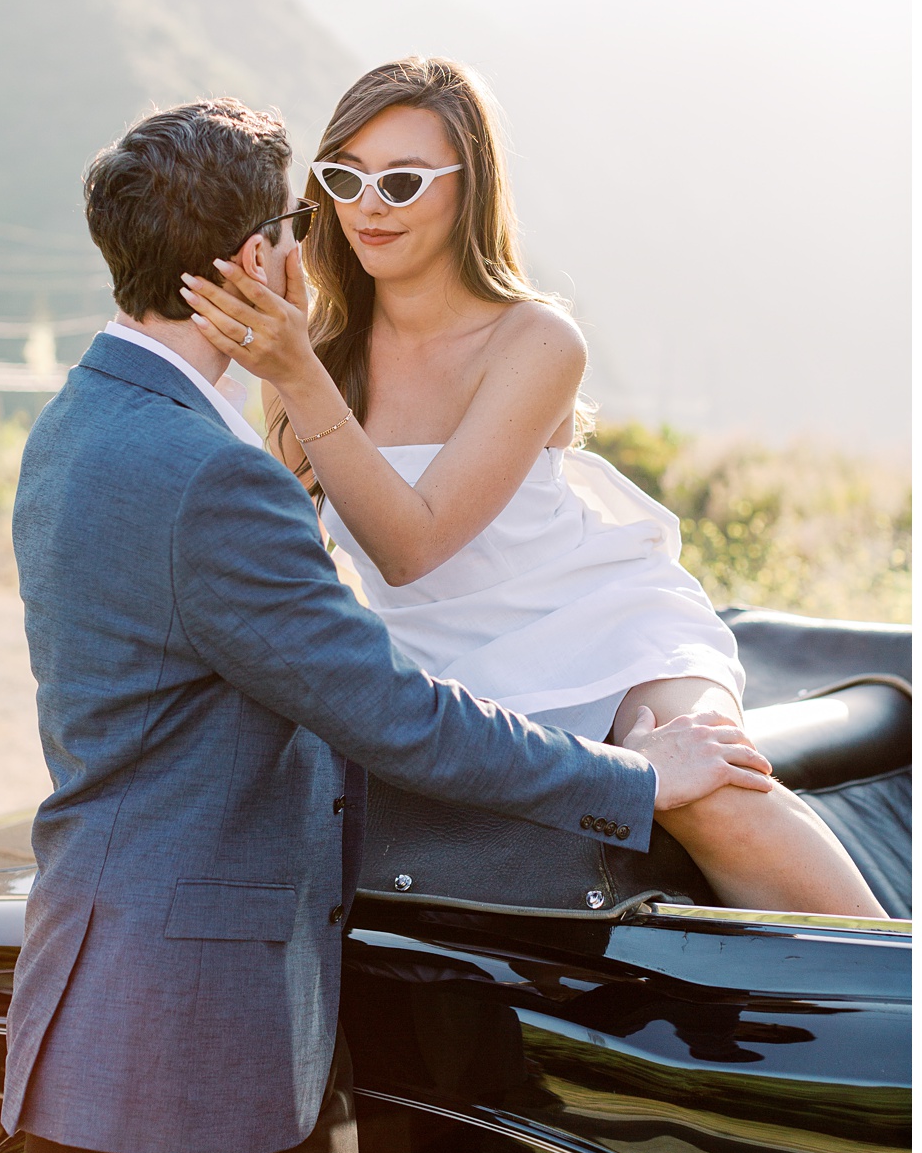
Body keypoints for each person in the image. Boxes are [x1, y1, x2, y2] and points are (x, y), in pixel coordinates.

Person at [3, 97, 775, 1153]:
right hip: (187, 1047)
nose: (326, 235)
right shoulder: (211, 473)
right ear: (255, 258)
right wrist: (638, 778)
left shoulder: (81, 417)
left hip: (110, 1007)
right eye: (305, 213)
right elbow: (394, 715)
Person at [180, 57, 883, 920]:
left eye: (402, 181)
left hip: (605, 628)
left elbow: (412, 545)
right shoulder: (315, 358)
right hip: (444, 674)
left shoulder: (537, 341)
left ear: (467, 188)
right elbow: (295, 569)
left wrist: (295, 375)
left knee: (712, 786)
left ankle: (894, 1004)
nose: (369, 205)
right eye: (344, 178)